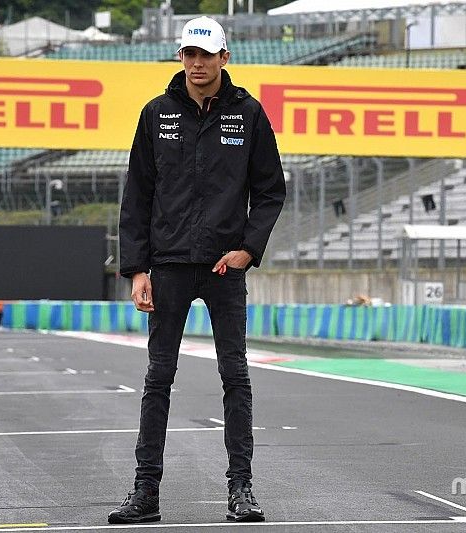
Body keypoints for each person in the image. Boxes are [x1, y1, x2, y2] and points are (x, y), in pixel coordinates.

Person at [108, 16, 286, 525]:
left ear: (225, 57)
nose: (198, 63)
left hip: (226, 268)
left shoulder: (249, 114)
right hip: (167, 266)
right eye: (190, 53)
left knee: (235, 376)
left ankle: (242, 490)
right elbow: (136, 196)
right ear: (180, 57)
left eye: (207, 55)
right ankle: (146, 493)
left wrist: (248, 250)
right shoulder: (156, 114)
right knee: (158, 378)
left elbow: (271, 190)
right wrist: (136, 268)